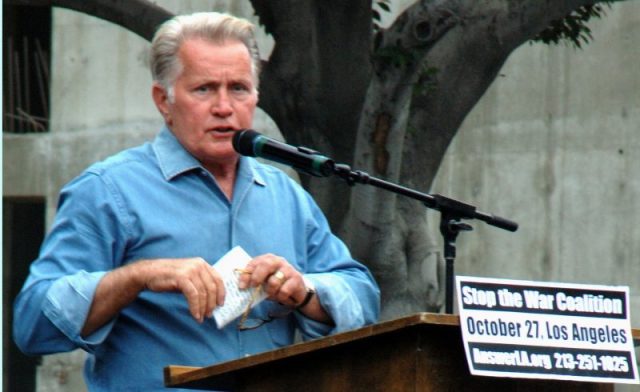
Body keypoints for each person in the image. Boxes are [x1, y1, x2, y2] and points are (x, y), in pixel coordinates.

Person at [13, 12, 380, 391]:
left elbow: (363, 298)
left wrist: (304, 291)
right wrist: (140, 276)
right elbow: (33, 323)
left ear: (256, 97)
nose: (224, 106)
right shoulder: (108, 190)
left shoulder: (285, 194)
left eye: (238, 88)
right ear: (163, 100)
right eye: (204, 89)